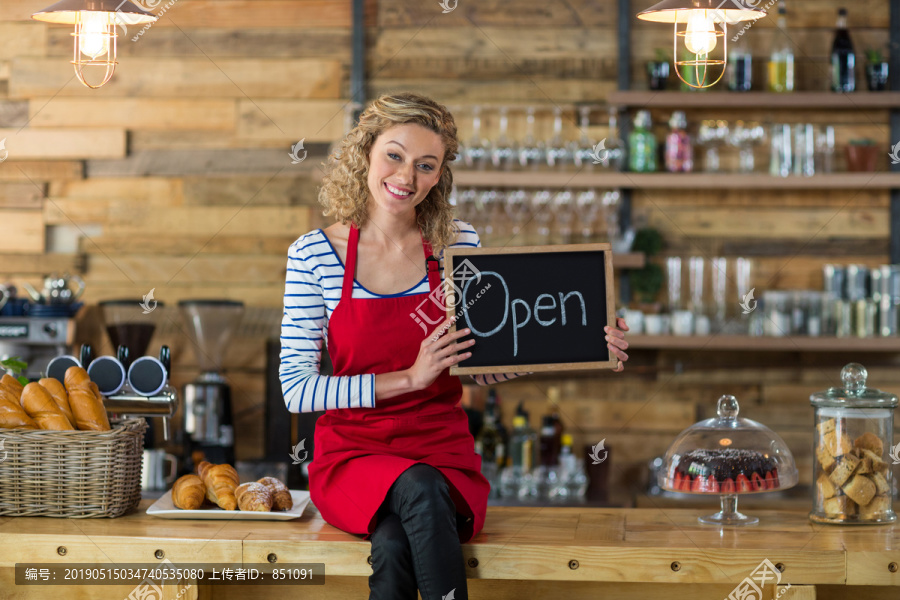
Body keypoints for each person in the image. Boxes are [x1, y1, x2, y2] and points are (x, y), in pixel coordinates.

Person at [279, 92, 631, 600]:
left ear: (440, 174)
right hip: (354, 456)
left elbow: (480, 364)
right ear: (365, 153)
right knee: (416, 488)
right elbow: (296, 389)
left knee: (397, 541)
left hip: (443, 453)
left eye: (426, 165)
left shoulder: (456, 246)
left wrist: (578, 340)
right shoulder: (315, 254)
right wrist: (408, 379)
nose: (406, 177)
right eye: (394, 155)